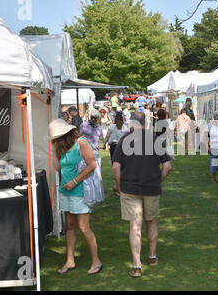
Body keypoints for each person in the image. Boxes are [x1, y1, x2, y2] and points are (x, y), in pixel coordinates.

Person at [112, 111, 172, 277]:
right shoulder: (155, 140)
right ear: (145, 123)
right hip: (151, 188)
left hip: (130, 189)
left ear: (131, 123)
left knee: (135, 225)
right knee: (151, 221)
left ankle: (137, 265)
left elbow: (116, 167)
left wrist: (119, 185)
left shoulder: (124, 140)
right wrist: (158, 180)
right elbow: (168, 166)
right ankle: (152, 257)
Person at [49, 119, 103, 275]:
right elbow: (59, 168)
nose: (54, 141)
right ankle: (70, 261)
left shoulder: (81, 142)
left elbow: (92, 165)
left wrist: (75, 181)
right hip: (66, 191)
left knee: (84, 227)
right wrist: (53, 151)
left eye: (56, 138)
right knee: (70, 226)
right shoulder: (61, 147)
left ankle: (96, 261)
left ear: (65, 134)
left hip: (80, 190)